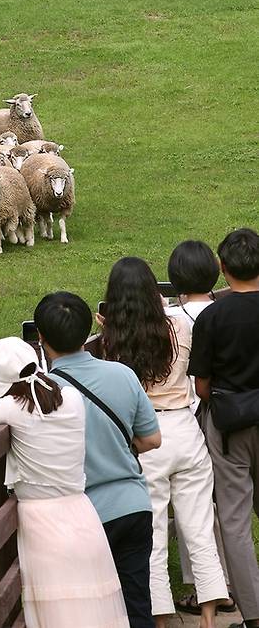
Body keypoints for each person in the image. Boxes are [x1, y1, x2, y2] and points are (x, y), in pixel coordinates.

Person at [101, 257, 228, 628]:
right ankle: (208, 615)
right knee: (200, 528)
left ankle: (159, 616)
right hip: (186, 432)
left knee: (153, 533)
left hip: (147, 437)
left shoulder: (116, 342)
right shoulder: (178, 328)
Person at [0, 335, 129, 628]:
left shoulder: (9, 409)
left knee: (57, 612)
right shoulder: (71, 398)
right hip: (82, 513)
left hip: (41, 521)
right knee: (91, 606)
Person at [34, 291, 161, 628]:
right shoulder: (122, 374)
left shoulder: (43, 392)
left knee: (91, 613)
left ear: (41, 338)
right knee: (137, 605)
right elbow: (152, 439)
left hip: (83, 516)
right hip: (133, 506)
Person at [189, 227, 259, 628]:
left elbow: (202, 386)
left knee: (233, 519)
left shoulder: (213, 316)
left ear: (222, 267)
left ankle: (253, 613)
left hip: (230, 424)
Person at [165, 239, 235, 618]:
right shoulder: (223, 309)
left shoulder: (172, 320)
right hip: (226, 412)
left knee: (192, 504)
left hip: (187, 416)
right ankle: (225, 582)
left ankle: (204, 588)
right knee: (225, 504)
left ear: (175, 279)